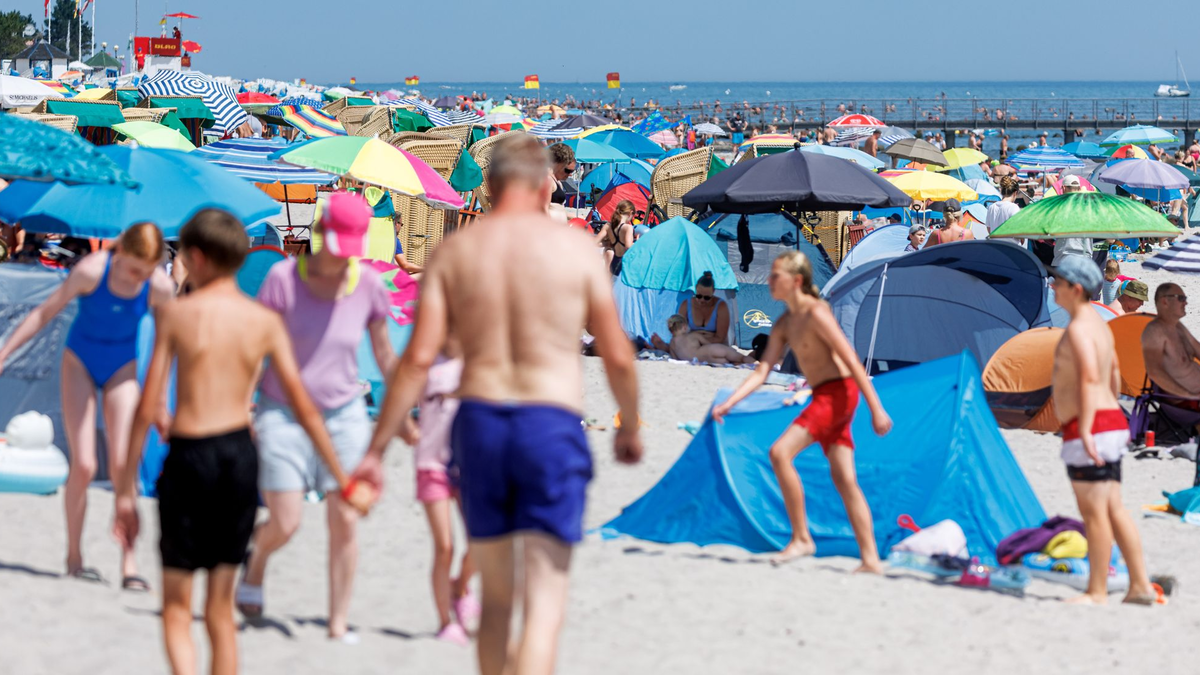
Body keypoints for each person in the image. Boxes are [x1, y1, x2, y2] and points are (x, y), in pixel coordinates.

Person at [351, 134, 643, 675]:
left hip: (479, 422)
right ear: (543, 184)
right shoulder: (574, 250)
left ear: (487, 187)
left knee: (498, 598)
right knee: (544, 604)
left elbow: (416, 361)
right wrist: (631, 426)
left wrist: (374, 449)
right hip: (549, 421)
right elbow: (618, 354)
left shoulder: (457, 251)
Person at [112, 210, 376, 675]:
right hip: (238, 459)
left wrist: (126, 493)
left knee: (178, 607)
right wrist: (342, 478)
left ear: (194, 257)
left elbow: (147, 404)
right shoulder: (263, 321)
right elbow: (306, 408)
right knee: (219, 612)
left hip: (191, 452)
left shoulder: (175, 313)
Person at [236, 193, 397, 641]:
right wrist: (245, 404)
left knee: (345, 519)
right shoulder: (284, 279)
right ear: (319, 233)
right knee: (285, 520)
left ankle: (338, 621)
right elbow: (257, 348)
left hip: (345, 415)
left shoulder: (368, 285)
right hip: (281, 412)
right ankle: (258, 563)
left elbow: (385, 355)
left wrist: (405, 410)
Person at [0, 223, 174, 589]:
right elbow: (44, 313)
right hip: (79, 362)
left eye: (145, 271)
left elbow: (166, 342)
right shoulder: (92, 270)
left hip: (121, 369)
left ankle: (129, 563)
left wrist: (159, 398)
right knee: (84, 463)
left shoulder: (158, 285)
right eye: (132, 269)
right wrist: (3, 354)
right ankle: (74, 556)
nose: (136, 278)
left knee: (123, 463)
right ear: (120, 253)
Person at [711, 251, 892, 570]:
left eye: (775, 276)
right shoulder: (783, 323)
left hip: (838, 394)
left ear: (796, 281)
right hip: (823, 393)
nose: (769, 281)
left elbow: (851, 360)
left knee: (780, 453)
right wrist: (729, 402)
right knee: (845, 478)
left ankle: (801, 539)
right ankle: (871, 559)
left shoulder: (816, 312)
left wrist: (876, 408)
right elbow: (762, 371)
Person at [1048, 256, 1156, 605]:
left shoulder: (1079, 328)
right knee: (1113, 508)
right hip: (1110, 421)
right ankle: (1138, 584)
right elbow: (1111, 377)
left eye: (1058, 282)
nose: (1053, 286)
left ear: (1075, 289)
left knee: (1094, 513)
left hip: (1089, 426)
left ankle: (1096, 591)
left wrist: (1090, 431)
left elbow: (1090, 378)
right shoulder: (1100, 326)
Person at [413, 344, 478, 645]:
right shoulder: (424, 359)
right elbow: (399, 396)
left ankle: (460, 587)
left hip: (470, 466)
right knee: (445, 547)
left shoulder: (477, 359)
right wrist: (408, 432)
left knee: (480, 542)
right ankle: (444, 622)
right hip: (431, 465)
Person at [1142, 283, 1200, 398]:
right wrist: (1189, 395)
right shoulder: (1154, 331)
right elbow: (1155, 372)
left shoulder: (1177, 326)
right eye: (1181, 298)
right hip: (1184, 403)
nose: (1186, 303)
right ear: (1165, 302)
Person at [664, 314, 756, 365]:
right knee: (741, 357)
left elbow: (675, 359)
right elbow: (708, 344)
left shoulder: (672, 343)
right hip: (710, 350)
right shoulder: (692, 335)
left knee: (731, 361)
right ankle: (757, 364)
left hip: (708, 360)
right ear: (684, 327)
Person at [1053, 176, 1093, 266]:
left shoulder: (1059, 207)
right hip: (1085, 258)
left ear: (1063, 188)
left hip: (1063, 258)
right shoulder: (1089, 207)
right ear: (1078, 188)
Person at [595, 199, 635, 276]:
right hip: (624, 264)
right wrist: (639, 243)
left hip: (614, 263)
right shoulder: (628, 228)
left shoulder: (608, 226)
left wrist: (608, 244)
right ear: (631, 213)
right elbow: (628, 247)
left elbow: (595, 242)